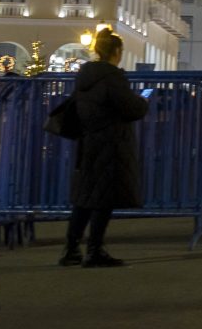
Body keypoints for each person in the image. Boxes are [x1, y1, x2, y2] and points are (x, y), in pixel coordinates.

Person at [63, 31, 148, 268]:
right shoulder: (112, 77)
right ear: (117, 52)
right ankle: (94, 250)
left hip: (88, 141)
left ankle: (71, 249)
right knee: (104, 198)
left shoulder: (85, 76)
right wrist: (143, 101)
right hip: (111, 143)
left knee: (84, 197)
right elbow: (131, 108)